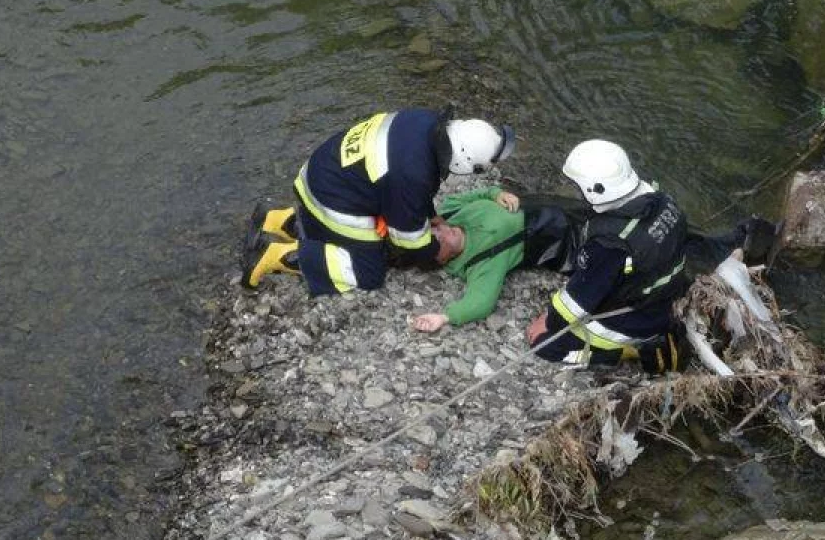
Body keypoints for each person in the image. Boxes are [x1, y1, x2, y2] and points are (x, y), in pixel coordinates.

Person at [526, 139, 761, 374]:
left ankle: (624, 353)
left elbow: (574, 306)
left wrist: (548, 323)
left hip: (635, 322)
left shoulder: (610, 245)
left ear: (595, 189)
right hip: (665, 301)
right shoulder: (662, 202)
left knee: (546, 346)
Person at [240, 108, 515, 296]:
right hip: (332, 198)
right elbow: (408, 239)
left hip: (319, 172)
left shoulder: (425, 120)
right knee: (368, 272)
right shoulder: (413, 174)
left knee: (361, 224)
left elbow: (406, 189)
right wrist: (434, 251)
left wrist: (430, 215)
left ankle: (274, 219)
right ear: (464, 160)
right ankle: (274, 254)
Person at [411, 187, 586, 333]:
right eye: (440, 242)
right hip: (565, 235)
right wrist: (444, 317)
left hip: (547, 203)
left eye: (436, 229)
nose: (444, 231)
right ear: (442, 259)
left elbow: (479, 194)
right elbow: (481, 301)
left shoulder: (449, 211)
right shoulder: (480, 263)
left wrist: (497, 194)